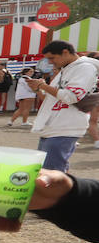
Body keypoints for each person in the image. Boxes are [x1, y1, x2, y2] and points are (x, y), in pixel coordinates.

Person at [28, 41, 98, 172]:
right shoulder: (66, 69)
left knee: (51, 175)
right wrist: (38, 89)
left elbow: (70, 97)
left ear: (65, 52)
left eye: (52, 58)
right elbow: (51, 99)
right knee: (46, 172)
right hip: (53, 127)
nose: (50, 62)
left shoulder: (85, 68)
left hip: (65, 127)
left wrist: (42, 86)